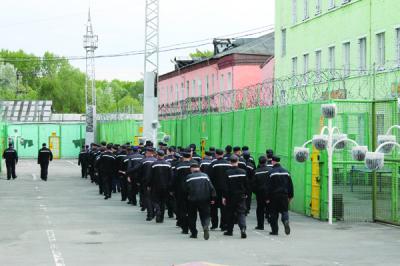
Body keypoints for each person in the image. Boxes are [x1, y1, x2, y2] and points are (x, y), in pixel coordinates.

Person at [184, 162, 216, 240]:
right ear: (199, 169)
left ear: (191, 169)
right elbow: (211, 188)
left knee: (192, 217)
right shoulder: (205, 176)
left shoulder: (188, 177)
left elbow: (185, 190)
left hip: (192, 200)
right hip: (205, 199)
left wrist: (185, 199)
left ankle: (194, 233)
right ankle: (205, 225)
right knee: (205, 215)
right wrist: (213, 198)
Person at [266, 156, 294, 236]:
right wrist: (290, 196)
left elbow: (268, 187)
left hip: (274, 196)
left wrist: (267, 197)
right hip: (284, 195)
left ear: (272, 162)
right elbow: (290, 185)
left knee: (273, 213)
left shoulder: (271, 173)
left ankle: (275, 231)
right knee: (284, 211)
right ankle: (285, 221)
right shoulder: (286, 172)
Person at [222, 155, 248, 239]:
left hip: (230, 196)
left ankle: (230, 231)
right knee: (241, 213)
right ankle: (243, 228)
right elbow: (247, 184)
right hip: (241, 195)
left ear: (230, 162)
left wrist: (224, 197)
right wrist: (246, 193)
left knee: (230, 213)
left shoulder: (227, 172)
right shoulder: (243, 172)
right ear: (238, 161)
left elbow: (225, 187)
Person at [171, 149, 194, 234]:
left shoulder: (179, 166)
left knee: (182, 209)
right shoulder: (194, 165)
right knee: (191, 210)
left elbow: (174, 179)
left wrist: (172, 189)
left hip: (180, 190)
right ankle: (192, 227)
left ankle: (184, 228)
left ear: (183, 157)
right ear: (190, 156)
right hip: (192, 190)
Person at [208, 149, 231, 231]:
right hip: (225, 189)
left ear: (216, 154)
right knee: (224, 207)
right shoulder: (229, 164)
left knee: (213, 207)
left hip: (215, 189)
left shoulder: (213, 164)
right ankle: (223, 225)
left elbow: (209, 178)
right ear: (223, 154)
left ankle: (214, 225)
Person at [148, 150, 172, 223]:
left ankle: (157, 209)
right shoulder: (168, 164)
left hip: (155, 186)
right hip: (165, 186)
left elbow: (150, 176)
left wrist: (148, 185)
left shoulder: (153, 164)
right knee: (163, 202)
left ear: (157, 155)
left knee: (155, 200)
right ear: (164, 155)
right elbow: (171, 176)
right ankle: (161, 219)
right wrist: (170, 187)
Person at [252, 156, 272, 230]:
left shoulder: (256, 171)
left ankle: (260, 225)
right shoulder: (270, 170)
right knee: (270, 208)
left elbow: (253, 184)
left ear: (259, 162)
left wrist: (256, 192)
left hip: (260, 193)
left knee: (260, 209)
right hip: (269, 193)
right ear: (266, 162)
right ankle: (272, 224)